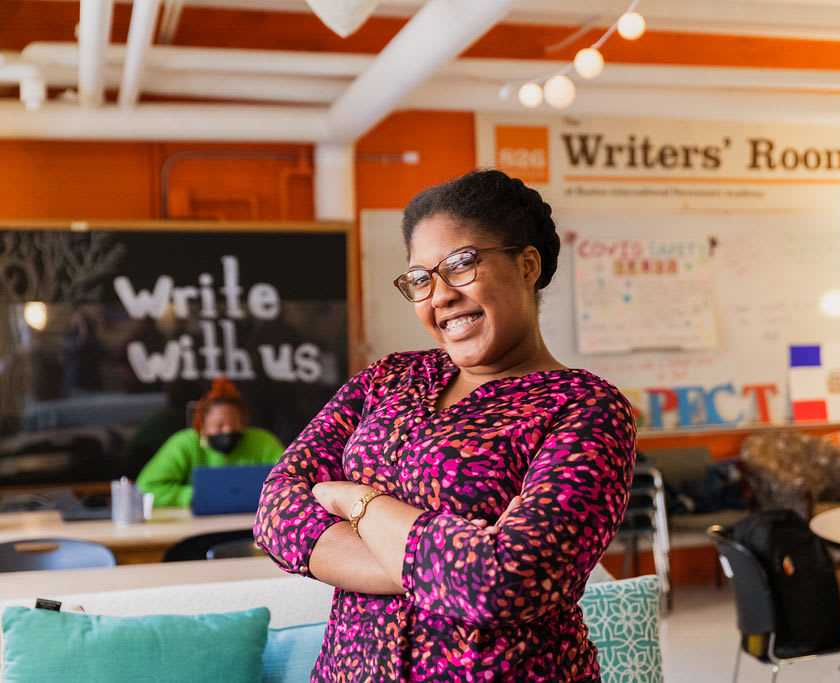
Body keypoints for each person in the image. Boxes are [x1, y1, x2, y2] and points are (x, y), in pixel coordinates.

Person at [254, 169, 637, 682]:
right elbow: (276, 512)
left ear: (527, 265)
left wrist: (354, 501)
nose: (439, 296)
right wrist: (443, 564)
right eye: (420, 278)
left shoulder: (586, 408)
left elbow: (502, 584)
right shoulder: (388, 379)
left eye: (461, 264)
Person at [137, 377, 283, 507]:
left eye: (234, 424)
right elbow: (146, 487)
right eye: (219, 426)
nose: (227, 430)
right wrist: (194, 496)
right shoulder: (184, 444)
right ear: (203, 425)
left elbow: (290, 478)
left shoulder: (263, 442)